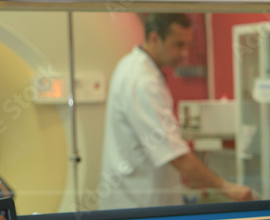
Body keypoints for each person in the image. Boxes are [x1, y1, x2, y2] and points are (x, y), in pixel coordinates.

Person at [97, 13, 252, 209]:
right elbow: (175, 155)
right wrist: (227, 187)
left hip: (137, 196)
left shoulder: (130, 65)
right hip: (138, 203)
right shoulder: (143, 81)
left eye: (188, 45)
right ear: (155, 39)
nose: (185, 53)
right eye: (178, 45)